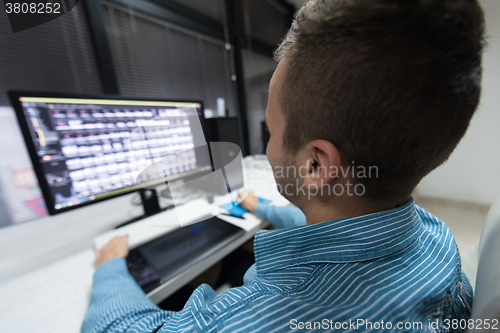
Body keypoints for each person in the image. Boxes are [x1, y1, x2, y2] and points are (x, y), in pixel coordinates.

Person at [82, 0, 485, 332]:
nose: (269, 146)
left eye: (270, 130)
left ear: (315, 165)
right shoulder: (437, 240)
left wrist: (111, 267)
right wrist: (263, 207)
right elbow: (344, 231)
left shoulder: (266, 319)